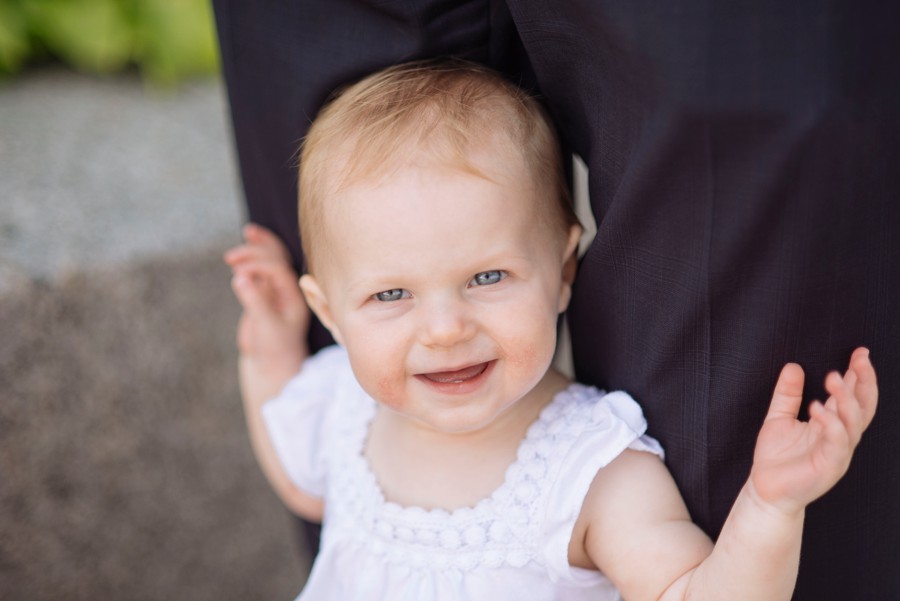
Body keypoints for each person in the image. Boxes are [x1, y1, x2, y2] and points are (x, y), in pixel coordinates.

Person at [213, 3, 900, 598]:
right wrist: (267, 347)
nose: (446, 328)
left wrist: (771, 506)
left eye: (487, 277)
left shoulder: (593, 471)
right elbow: (300, 476)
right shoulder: (345, 408)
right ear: (329, 311)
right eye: (391, 294)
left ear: (564, 267)